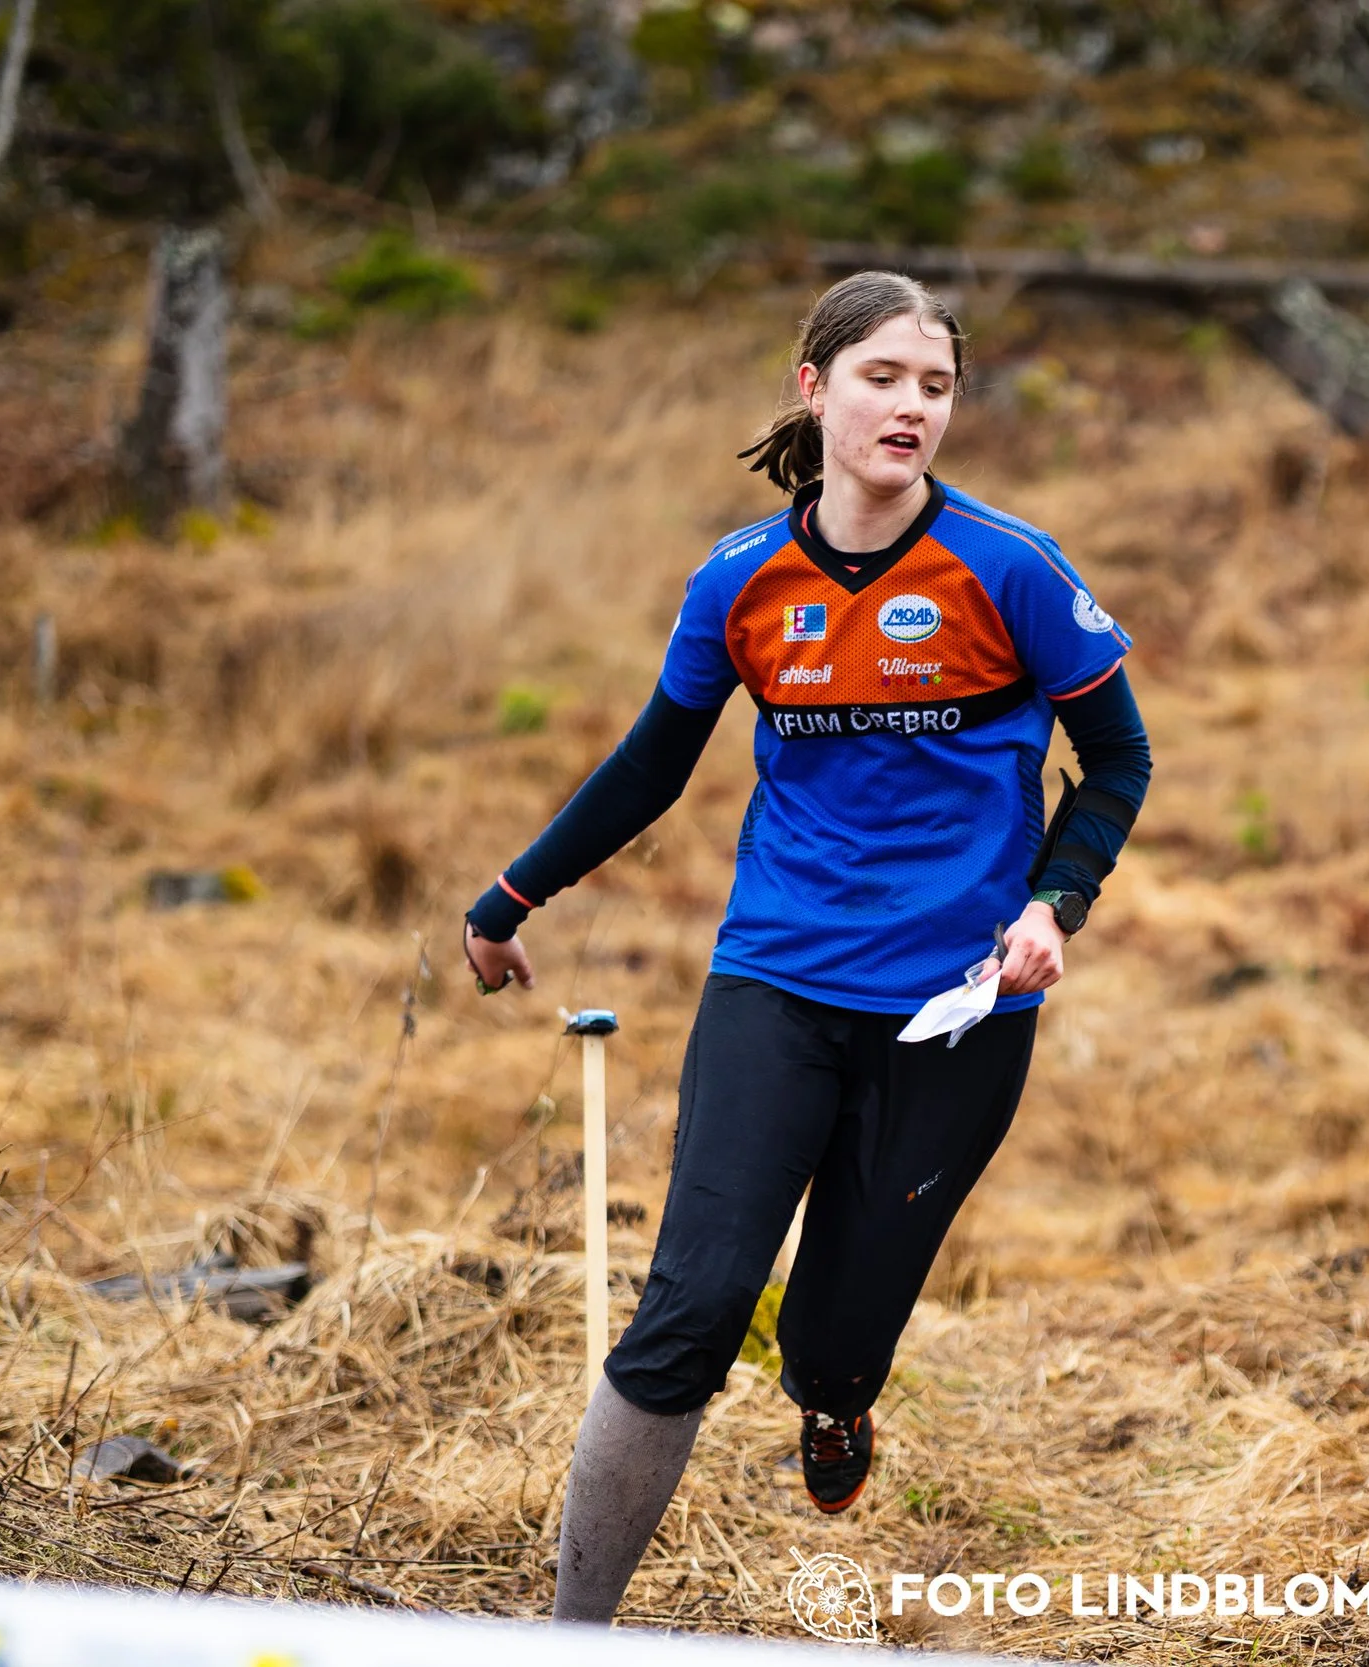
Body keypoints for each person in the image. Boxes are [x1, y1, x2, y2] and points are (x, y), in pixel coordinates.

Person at [459, 270, 1153, 1626]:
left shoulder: (1012, 567)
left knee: (836, 1339)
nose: (911, 406)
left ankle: (836, 1403)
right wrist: (509, 895)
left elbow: (1118, 759)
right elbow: (653, 765)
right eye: (883, 376)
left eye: (936, 385)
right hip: (773, 978)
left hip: (957, 1007)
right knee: (692, 1307)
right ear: (814, 387)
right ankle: (570, 1637)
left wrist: (1048, 906)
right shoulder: (739, 580)